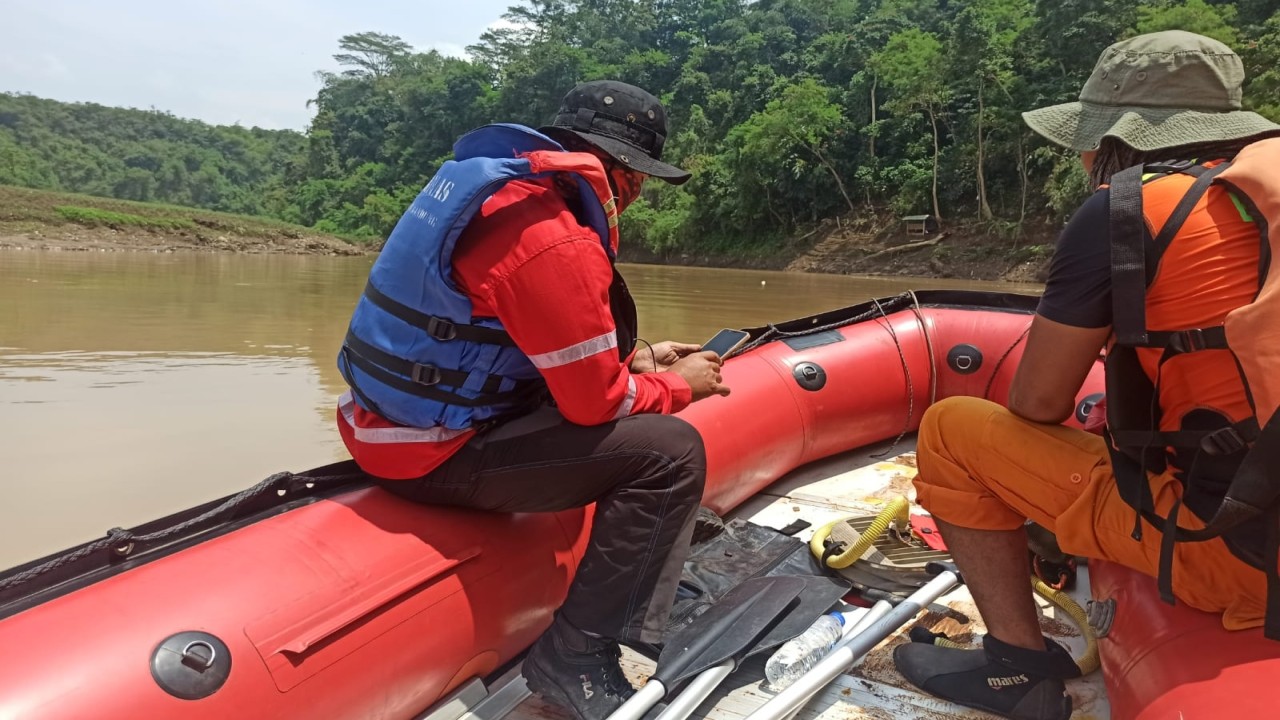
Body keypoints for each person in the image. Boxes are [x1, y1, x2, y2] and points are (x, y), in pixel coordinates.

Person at [891, 31, 1280, 720]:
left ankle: (1017, 669)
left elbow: (1039, 402)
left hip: (1242, 556)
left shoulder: (1124, 211)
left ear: (1115, 141)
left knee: (952, 430)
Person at [334, 80, 730, 720]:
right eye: (642, 179)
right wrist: (682, 386)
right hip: (436, 452)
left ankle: (633, 583)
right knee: (669, 453)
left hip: (388, 424)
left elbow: (500, 341)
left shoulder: (496, 194)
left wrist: (640, 361)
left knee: (641, 408)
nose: (639, 195)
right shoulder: (553, 237)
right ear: (623, 174)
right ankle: (576, 658)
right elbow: (595, 408)